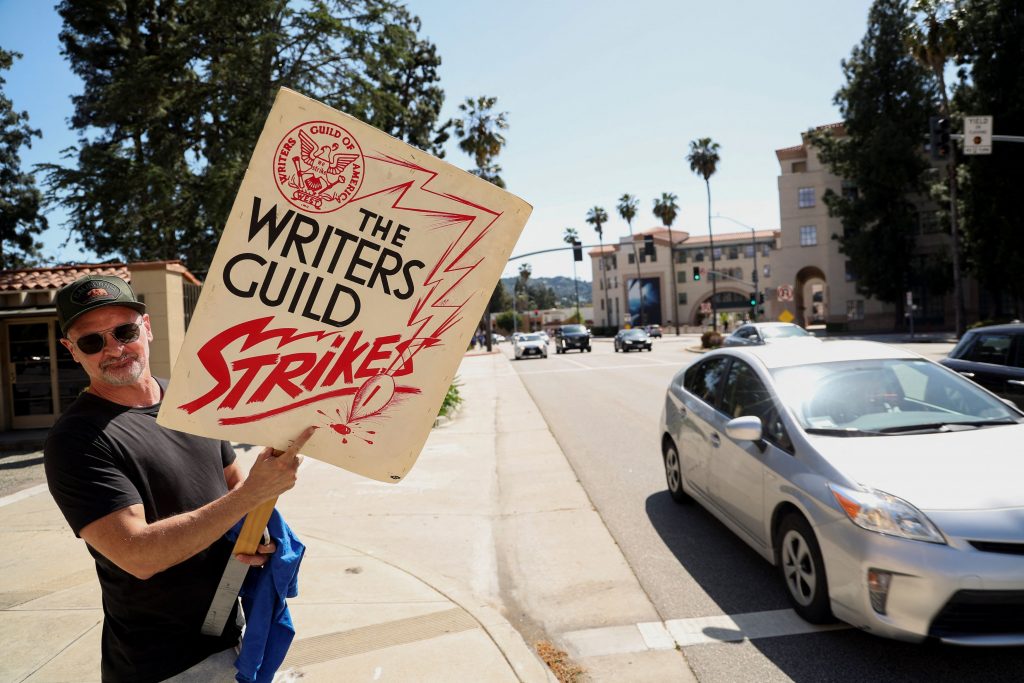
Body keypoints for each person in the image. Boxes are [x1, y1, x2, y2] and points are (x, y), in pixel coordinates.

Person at [43, 275, 314, 683]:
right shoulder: (76, 440)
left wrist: (260, 531)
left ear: (147, 328)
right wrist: (251, 496)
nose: (114, 349)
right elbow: (138, 555)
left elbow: (235, 487)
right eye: (92, 341)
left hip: (232, 636)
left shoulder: (188, 403)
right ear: (71, 350)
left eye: (124, 331)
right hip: (163, 664)